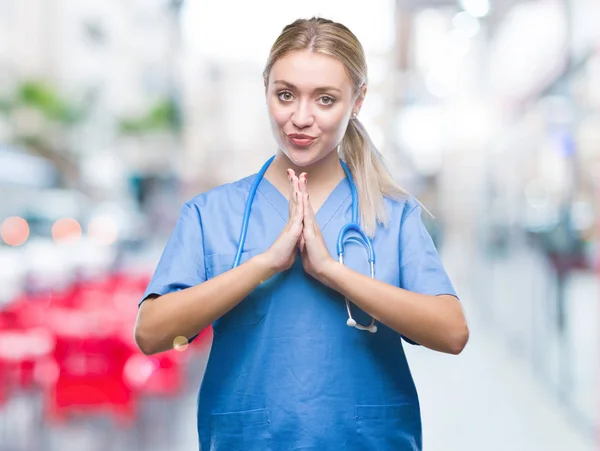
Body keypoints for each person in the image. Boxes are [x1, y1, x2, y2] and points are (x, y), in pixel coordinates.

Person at [134, 17, 469, 451]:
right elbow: (152, 334)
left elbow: (451, 333)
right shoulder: (209, 213)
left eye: (325, 99)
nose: (301, 118)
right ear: (267, 91)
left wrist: (333, 271)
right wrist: (263, 265)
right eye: (285, 95)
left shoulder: (393, 215)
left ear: (358, 100)